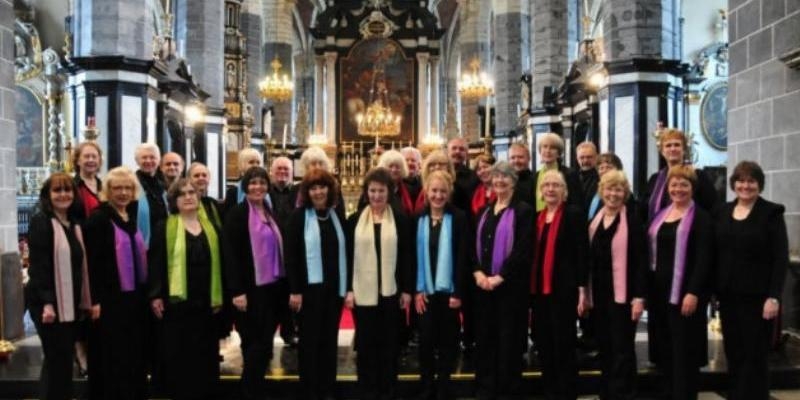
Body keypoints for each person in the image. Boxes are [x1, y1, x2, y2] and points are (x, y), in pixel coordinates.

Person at [714, 161, 789, 400]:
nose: (745, 186)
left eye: (751, 181)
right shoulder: (722, 211)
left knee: (754, 354)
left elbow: (780, 257)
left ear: (759, 184)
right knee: (734, 351)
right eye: (741, 180)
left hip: (758, 298)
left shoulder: (771, 212)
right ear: (733, 183)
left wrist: (774, 297)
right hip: (728, 296)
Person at [148, 178, 223, 400]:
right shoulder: (165, 226)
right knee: (180, 353)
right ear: (175, 200)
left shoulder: (211, 227)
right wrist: (155, 295)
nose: (189, 196)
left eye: (192, 192)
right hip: (178, 303)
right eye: (182, 194)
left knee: (206, 352)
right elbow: (156, 263)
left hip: (206, 300)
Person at [346, 167, 414, 400]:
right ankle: (367, 389)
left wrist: (406, 289)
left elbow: (407, 256)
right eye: (372, 191)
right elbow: (348, 257)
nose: (376, 196)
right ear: (366, 192)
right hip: (363, 292)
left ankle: (388, 390)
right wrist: (348, 289)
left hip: (390, 292)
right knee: (366, 344)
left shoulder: (401, 220)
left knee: (389, 344)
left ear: (390, 192)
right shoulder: (355, 220)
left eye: (381, 191)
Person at [25, 173, 94, 400]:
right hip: (49, 306)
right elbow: (39, 267)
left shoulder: (73, 224)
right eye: (57, 190)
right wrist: (48, 303)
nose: (63, 195)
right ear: (48, 195)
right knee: (58, 362)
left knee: (62, 362)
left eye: (67, 190)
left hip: (69, 305)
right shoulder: (42, 222)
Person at [83, 166, 149, 400]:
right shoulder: (99, 219)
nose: (123, 192)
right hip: (108, 303)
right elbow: (91, 264)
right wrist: (95, 300)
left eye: (127, 188)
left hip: (132, 300)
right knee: (110, 357)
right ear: (108, 191)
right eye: (117, 188)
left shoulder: (129, 216)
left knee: (131, 355)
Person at [647, 165, 712, 400]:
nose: (678, 189)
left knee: (684, 349)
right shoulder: (661, 214)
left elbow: (705, 259)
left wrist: (693, 292)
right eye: (674, 185)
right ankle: (668, 392)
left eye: (684, 185)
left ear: (692, 188)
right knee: (665, 347)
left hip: (685, 294)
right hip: (660, 293)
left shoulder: (701, 218)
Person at [222, 166, 286, 400]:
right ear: (245, 187)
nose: (257, 187)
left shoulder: (270, 211)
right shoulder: (237, 214)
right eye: (252, 183)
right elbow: (230, 254)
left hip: (272, 289)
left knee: (265, 343)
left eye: (261, 183)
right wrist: (237, 290)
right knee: (253, 345)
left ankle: (255, 387)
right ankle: (248, 390)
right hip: (249, 291)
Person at [473, 161, 534, 399]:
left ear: (513, 182)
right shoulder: (484, 212)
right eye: (496, 177)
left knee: (508, 341)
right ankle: (486, 389)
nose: (499, 181)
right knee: (485, 340)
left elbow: (523, 249)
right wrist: (478, 272)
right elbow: (473, 248)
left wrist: (500, 277)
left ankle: (508, 390)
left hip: (510, 288)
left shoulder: (523, 211)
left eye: (505, 177)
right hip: (483, 287)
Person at [285, 169, 347, 400]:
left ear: (330, 190)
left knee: (329, 341)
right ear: (307, 192)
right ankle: (309, 391)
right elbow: (290, 256)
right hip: (308, 292)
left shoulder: (336, 215)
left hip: (333, 292)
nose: (319, 192)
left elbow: (345, 253)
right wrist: (295, 290)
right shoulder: (298, 217)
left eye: (323, 187)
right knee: (309, 343)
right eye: (313, 188)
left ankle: (327, 389)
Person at [530, 169, 589, 400]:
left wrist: (582, 288)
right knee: (544, 343)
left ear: (564, 191)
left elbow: (582, 253)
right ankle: (550, 390)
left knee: (563, 344)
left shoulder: (573, 214)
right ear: (541, 192)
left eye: (556, 185)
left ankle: (566, 392)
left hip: (564, 291)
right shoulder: (538, 217)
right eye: (547, 186)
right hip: (540, 291)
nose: (551, 189)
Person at [587, 170, 647, 400]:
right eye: (609, 189)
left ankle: (624, 394)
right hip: (600, 294)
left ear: (625, 193)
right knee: (605, 346)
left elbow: (640, 262)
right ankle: (607, 392)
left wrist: (639, 297)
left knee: (622, 348)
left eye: (618, 189)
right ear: (602, 191)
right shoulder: (595, 220)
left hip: (624, 296)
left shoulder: (632, 221)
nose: (613, 194)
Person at [414, 170, 469, 400]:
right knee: (425, 341)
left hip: (449, 292)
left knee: (448, 342)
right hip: (425, 292)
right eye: (434, 191)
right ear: (427, 192)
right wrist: (416, 290)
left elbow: (463, 256)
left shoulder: (458, 218)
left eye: (442, 191)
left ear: (449, 193)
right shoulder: (418, 219)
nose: (438, 195)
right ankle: (427, 386)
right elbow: (412, 257)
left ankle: (444, 386)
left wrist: (458, 292)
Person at [643, 128, 716, 222]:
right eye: (668, 145)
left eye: (677, 145)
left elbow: (712, 207)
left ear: (684, 149)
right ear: (662, 151)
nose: (672, 149)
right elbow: (643, 209)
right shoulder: (654, 179)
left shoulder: (698, 176)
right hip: (658, 232)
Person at [268, 156, 300, 347]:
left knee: (290, 292)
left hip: (291, 249)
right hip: (270, 251)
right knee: (271, 295)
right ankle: (268, 334)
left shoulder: (297, 192)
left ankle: (289, 332)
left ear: (292, 172)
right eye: (278, 169)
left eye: (286, 169)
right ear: (271, 171)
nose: (282, 173)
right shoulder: (265, 192)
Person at [534, 133, 583, 213]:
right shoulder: (535, 176)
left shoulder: (569, 174)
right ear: (540, 151)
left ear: (559, 153)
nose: (548, 151)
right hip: (540, 220)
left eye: (552, 148)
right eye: (545, 146)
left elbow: (576, 203)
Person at [133, 143, 168, 247]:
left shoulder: (163, 185)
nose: (148, 161)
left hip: (163, 240)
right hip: (141, 242)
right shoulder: (131, 183)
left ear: (158, 160)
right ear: (137, 161)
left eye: (152, 157)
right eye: (144, 157)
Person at [224, 148, 263, 213]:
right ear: (242, 165)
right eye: (251, 162)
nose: (255, 165)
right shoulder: (233, 192)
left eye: (258, 162)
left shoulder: (266, 190)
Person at [587, 153, 625, 220]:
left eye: (608, 167)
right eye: (601, 168)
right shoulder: (595, 188)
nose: (604, 171)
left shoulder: (622, 192)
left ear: (618, 169)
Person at [72, 141, 104, 221]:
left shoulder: (105, 186)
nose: (91, 160)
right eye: (86, 156)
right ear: (78, 161)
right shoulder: (72, 186)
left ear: (99, 161)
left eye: (94, 157)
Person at [447, 138, 479, 213]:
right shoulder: (440, 174)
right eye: (454, 148)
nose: (457, 151)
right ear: (447, 152)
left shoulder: (474, 177)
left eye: (461, 149)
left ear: (467, 154)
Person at [575, 141, 599, 212]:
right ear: (577, 158)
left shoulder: (602, 178)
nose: (585, 160)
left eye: (589, 157)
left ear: (596, 157)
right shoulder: (572, 177)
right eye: (582, 157)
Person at [508, 142, 535, 207]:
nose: (516, 161)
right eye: (512, 158)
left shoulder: (535, 181)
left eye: (520, 157)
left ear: (529, 158)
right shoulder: (505, 182)